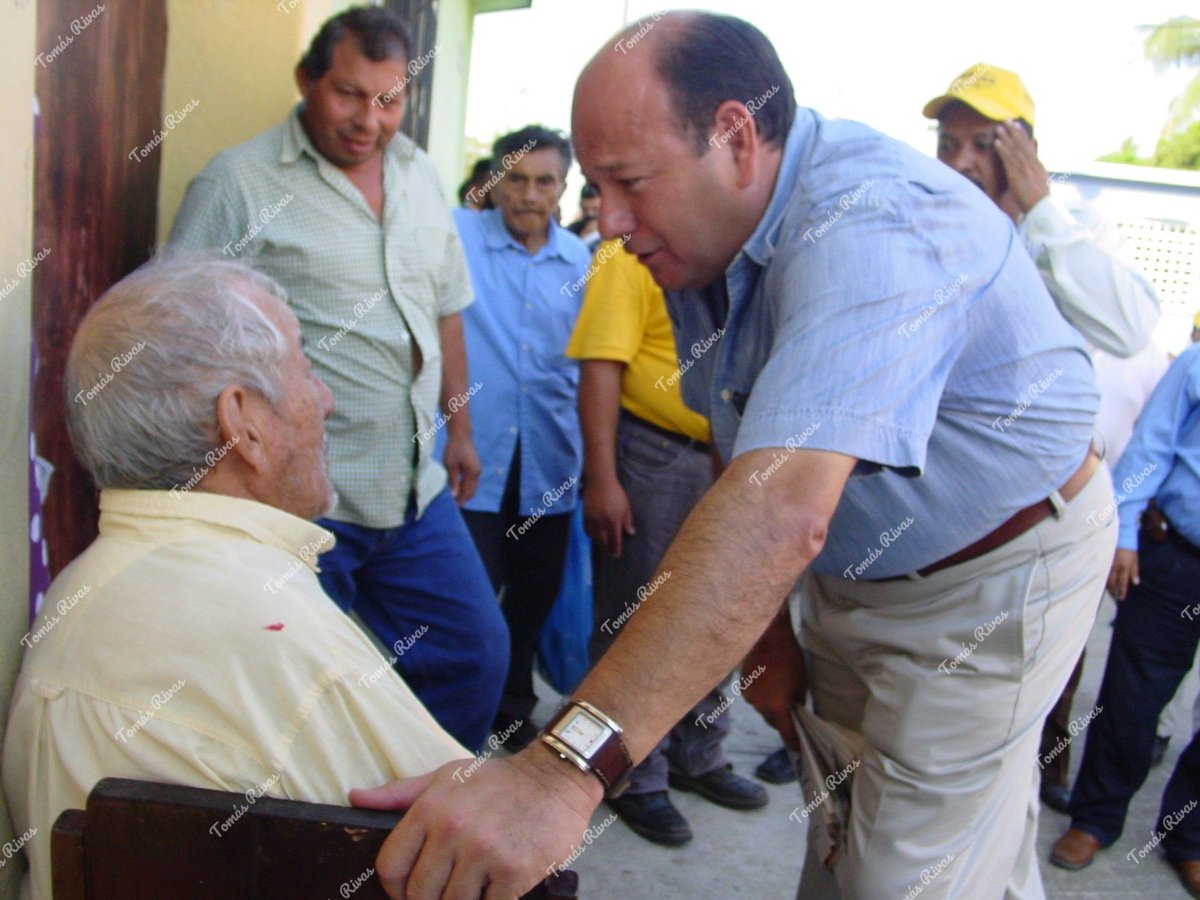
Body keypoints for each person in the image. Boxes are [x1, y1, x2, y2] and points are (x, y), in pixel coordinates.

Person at [350, 13, 1113, 899]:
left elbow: (784, 505)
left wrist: (561, 771)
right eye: (597, 188)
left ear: (736, 138)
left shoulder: (875, 224)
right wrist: (767, 636)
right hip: (857, 574)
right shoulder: (704, 235)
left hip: (990, 578)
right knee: (845, 832)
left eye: (628, 182)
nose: (610, 225)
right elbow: (737, 438)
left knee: (904, 876)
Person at [2, 256, 468, 900]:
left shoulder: (77, 593)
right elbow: (484, 851)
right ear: (241, 422)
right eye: (305, 367)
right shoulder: (283, 641)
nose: (326, 399)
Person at [168, 6, 508, 752]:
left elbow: (447, 311)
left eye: (389, 100)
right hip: (304, 502)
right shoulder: (240, 184)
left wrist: (462, 432)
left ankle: (420, 813)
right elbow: (181, 333)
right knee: (293, 698)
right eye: (349, 94)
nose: (369, 120)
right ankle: (325, 839)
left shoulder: (419, 174)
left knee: (474, 654)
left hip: (414, 489)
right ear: (307, 81)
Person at [924, 62, 1162, 814]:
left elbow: (1127, 325)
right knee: (939, 718)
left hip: (1044, 516)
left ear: (1025, 150)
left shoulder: (1070, 224)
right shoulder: (930, 220)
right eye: (949, 141)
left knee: (1027, 699)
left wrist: (1041, 211)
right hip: (943, 512)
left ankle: (1037, 791)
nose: (962, 161)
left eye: (985, 143)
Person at [565, 239, 767, 846]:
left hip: (729, 457)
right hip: (651, 457)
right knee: (637, 619)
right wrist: (603, 479)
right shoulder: (625, 256)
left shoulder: (734, 257)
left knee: (720, 611)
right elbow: (600, 366)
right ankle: (634, 776)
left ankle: (698, 754)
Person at [450, 125, 591, 748]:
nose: (528, 194)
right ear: (496, 180)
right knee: (468, 603)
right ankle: (456, 716)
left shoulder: (582, 263)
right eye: (516, 178)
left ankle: (511, 708)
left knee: (533, 598)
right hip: (471, 460)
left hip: (550, 461)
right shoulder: (457, 240)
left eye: (544, 181)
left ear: (563, 189)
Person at [1049, 342, 1200, 897]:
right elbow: (1150, 448)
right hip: (1178, 558)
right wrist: (1128, 535)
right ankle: (1095, 819)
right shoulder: (1194, 365)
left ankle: (1190, 838)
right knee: (1132, 699)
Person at [566, 184, 602, 252]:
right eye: (585, 209)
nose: (590, 214)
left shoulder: (613, 235)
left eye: (595, 209)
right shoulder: (570, 232)